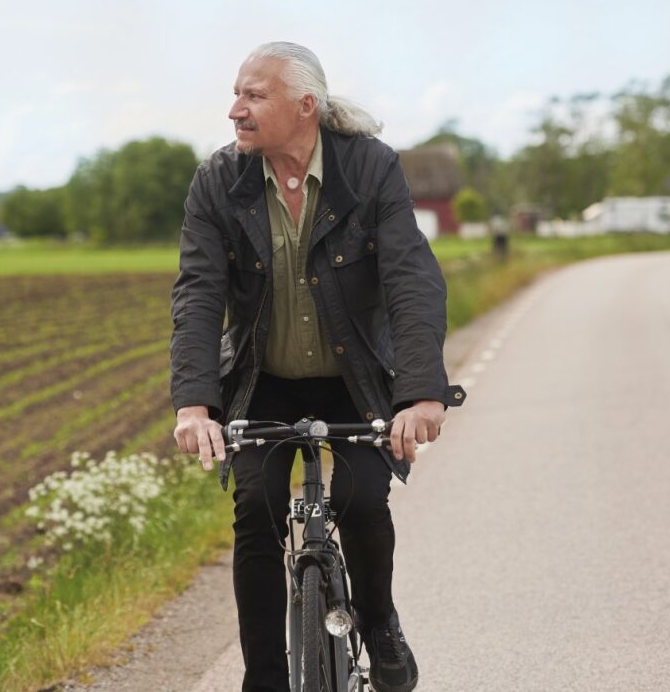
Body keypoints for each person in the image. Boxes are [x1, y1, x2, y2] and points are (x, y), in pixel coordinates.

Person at [170, 42, 465, 692]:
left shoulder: (369, 169)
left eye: (253, 95)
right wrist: (195, 404)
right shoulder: (218, 181)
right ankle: (265, 680)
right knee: (259, 507)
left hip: (357, 375)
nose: (234, 110)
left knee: (361, 498)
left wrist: (420, 394)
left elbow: (411, 279)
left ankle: (380, 620)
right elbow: (198, 291)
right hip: (261, 377)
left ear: (306, 105)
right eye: (236, 93)